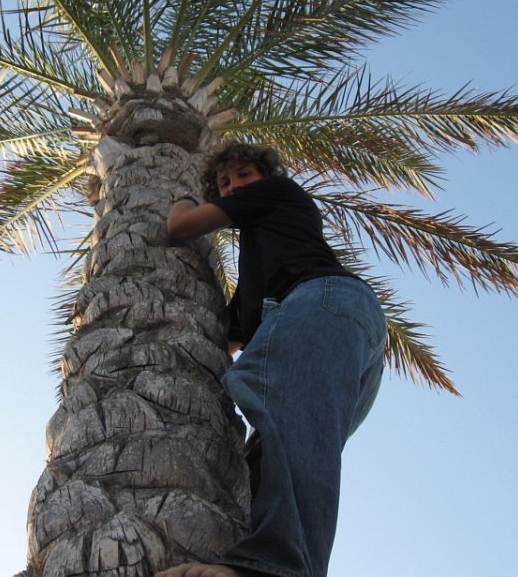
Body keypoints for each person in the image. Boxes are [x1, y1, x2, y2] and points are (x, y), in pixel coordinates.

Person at [157, 142, 387, 577]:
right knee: (277, 447)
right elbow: (225, 339)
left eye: (243, 175)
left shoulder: (279, 192)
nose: (234, 186)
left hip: (323, 301)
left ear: (264, 176)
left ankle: (271, 568)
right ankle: (256, 560)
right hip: (343, 323)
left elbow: (181, 226)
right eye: (225, 182)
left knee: (289, 421)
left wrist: (183, 196)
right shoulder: (258, 274)